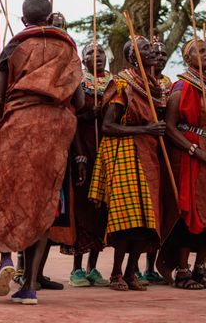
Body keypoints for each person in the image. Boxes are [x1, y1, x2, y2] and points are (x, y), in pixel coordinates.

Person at [0, 0, 83, 305]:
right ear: (50, 18)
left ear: (23, 20)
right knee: (44, 202)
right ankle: (30, 286)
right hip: (54, 130)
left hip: (18, 124)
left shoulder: (14, 46)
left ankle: (6, 259)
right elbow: (81, 102)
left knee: (6, 194)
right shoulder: (69, 49)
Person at [89, 36, 165, 292]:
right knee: (127, 219)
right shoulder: (122, 83)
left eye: (152, 48)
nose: (153, 51)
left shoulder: (154, 85)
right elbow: (108, 126)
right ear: (132, 57)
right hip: (124, 152)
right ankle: (116, 273)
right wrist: (146, 128)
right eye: (145, 49)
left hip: (148, 154)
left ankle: (133, 272)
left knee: (146, 219)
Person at [159, 38, 206, 290]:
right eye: (200, 51)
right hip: (190, 156)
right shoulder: (182, 86)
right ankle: (183, 269)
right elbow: (170, 127)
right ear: (188, 58)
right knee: (191, 211)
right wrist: (196, 151)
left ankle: (201, 266)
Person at [65, 42, 112, 288]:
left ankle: (94, 266)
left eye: (101, 52)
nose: (97, 56)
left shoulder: (114, 83)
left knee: (101, 209)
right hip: (83, 149)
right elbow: (69, 115)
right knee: (83, 207)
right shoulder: (78, 81)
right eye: (91, 53)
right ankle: (77, 269)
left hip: (107, 151)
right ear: (83, 59)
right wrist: (86, 115)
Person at [134, 37, 171, 286]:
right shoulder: (135, 81)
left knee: (159, 208)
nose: (159, 57)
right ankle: (132, 266)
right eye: (155, 53)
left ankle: (151, 266)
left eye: (163, 54)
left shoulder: (168, 85)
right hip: (142, 146)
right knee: (141, 207)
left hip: (164, 147)